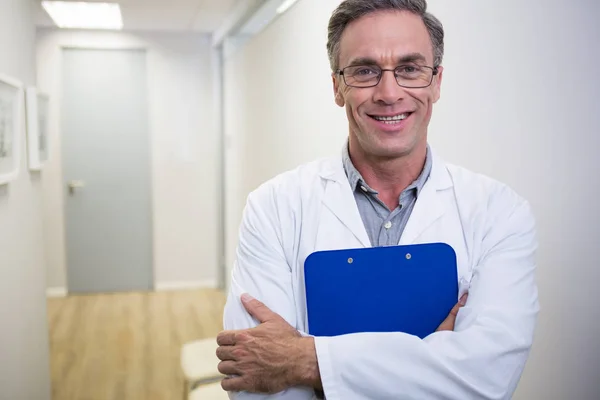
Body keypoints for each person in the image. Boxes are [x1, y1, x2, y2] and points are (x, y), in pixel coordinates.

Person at [215, 0, 539, 398]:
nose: (389, 93)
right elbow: (257, 382)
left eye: (409, 69)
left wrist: (304, 359)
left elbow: (486, 379)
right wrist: (429, 366)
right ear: (337, 86)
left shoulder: (499, 213)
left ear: (436, 82)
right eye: (365, 70)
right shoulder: (273, 207)